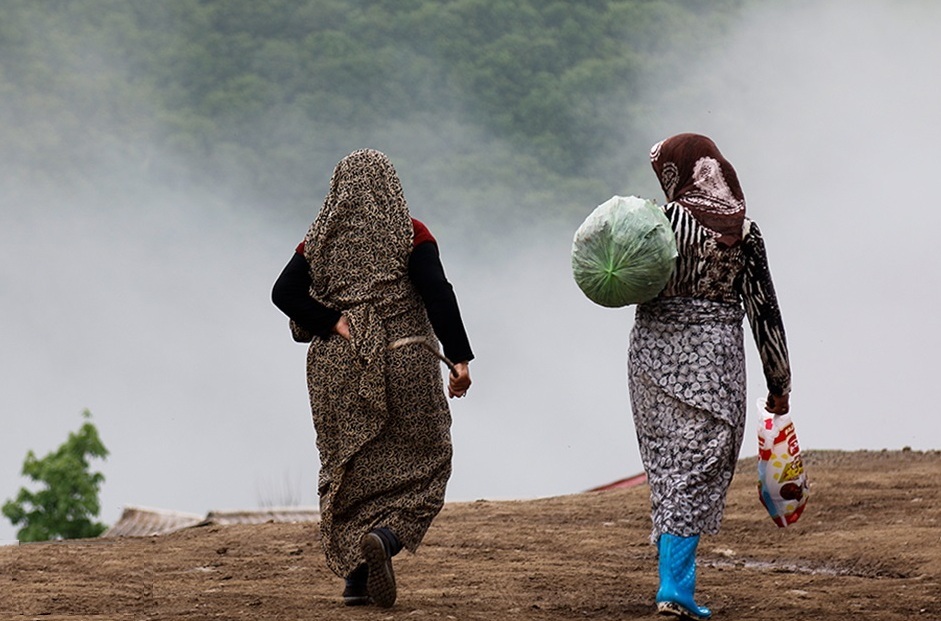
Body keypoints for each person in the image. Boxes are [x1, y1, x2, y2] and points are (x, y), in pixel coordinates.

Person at [271, 149, 474, 608]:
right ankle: (387, 535)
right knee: (429, 458)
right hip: (403, 359)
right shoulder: (410, 232)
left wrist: (332, 322)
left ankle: (355, 580)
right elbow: (437, 293)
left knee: (348, 467)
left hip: (336, 369)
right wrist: (459, 358)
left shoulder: (318, 241)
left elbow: (282, 292)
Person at [628, 133, 791, 620]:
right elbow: (765, 313)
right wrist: (779, 383)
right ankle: (674, 586)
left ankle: (673, 580)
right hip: (713, 358)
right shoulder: (743, 231)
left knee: (667, 465)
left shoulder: (654, 224)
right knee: (700, 463)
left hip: (650, 356)